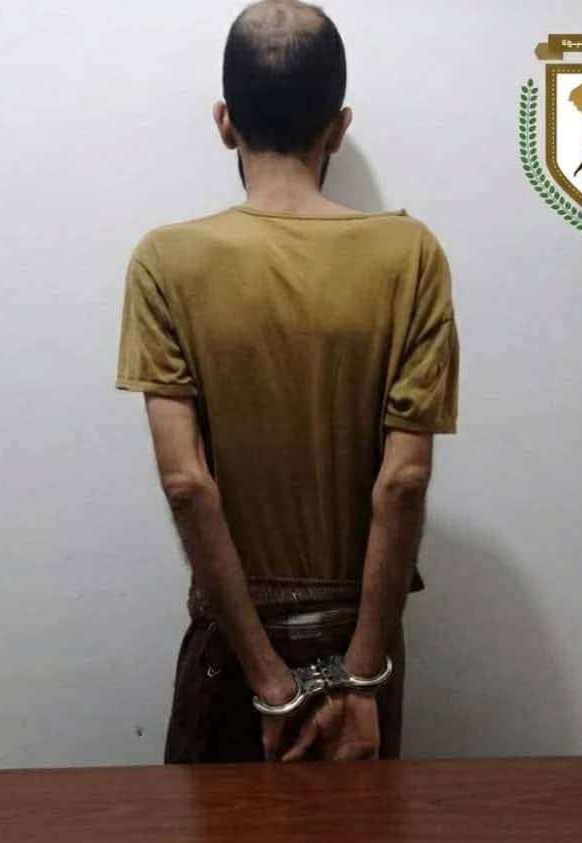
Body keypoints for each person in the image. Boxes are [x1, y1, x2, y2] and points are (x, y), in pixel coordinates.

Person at [116, 0, 460, 764]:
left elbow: (187, 483)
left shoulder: (165, 262)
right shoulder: (411, 256)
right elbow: (403, 481)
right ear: (337, 128)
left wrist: (270, 681)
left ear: (225, 121)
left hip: (235, 657)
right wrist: (360, 677)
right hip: (362, 655)